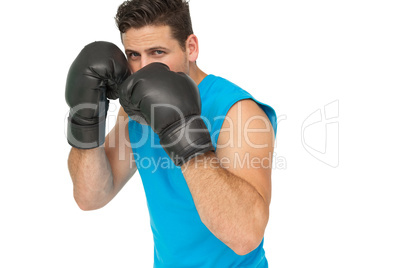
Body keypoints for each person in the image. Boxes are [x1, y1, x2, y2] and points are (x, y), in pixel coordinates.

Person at [65, 0, 277, 267]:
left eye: (157, 52)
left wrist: (183, 132)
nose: (144, 69)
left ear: (191, 48)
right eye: (133, 54)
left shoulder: (238, 112)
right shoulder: (134, 110)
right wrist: (87, 118)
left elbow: (246, 236)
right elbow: (90, 197)